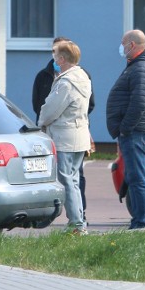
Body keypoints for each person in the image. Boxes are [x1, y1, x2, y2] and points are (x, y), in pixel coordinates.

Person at [32, 37, 95, 218]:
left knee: (67, 181)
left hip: (64, 138)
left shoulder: (65, 82)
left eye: (56, 55)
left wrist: (41, 124)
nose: (54, 59)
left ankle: (76, 223)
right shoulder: (83, 77)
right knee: (74, 180)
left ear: (62, 59)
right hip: (79, 136)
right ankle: (79, 221)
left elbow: (50, 109)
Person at [106, 29, 145, 229]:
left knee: (138, 178)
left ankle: (143, 222)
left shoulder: (142, 68)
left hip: (135, 131)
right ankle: (139, 220)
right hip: (133, 130)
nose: (121, 47)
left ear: (132, 45)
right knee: (135, 177)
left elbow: (139, 102)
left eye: (123, 43)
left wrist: (125, 128)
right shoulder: (136, 65)